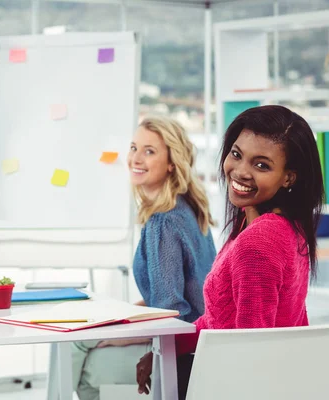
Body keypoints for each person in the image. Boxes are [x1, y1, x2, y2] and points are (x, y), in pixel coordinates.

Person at [136, 105, 325, 398]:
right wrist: (167, 350)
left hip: (231, 383)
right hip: (273, 379)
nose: (240, 171)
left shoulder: (259, 242)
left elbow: (248, 350)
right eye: (236, 154)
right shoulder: (281, 227)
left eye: (261, 165)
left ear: (289, 177)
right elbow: (219, 319)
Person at [72, 116, 217, 400]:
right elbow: (172, 294)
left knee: (76, 349)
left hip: (183, 347)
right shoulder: (188, 207)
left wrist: (113, 336)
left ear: (172, 162)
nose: (135, 159)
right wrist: (116, 317)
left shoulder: (163, 223)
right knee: (84, 335)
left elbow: (170, 310)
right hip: (200, 339)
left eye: (149, 151)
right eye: (134, 147)